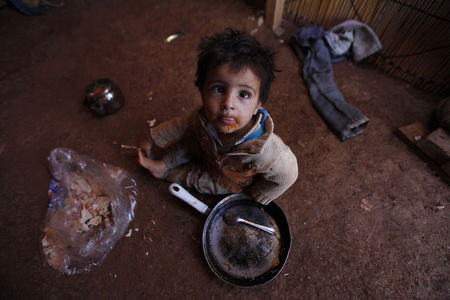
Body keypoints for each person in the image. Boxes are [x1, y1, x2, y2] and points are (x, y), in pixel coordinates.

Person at [137, 28, 298, 205]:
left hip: (228, 177)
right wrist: (151, 138)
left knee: (199, 181)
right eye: (219, 89)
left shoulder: (267, 152)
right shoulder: (204, 117)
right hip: (206, 147)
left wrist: (260, 194)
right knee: (187, 144)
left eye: (244, 94)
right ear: (203, 92)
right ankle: (163, 165)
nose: (228, 104)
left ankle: (165, 173)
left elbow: (288, 173)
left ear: (258, 105)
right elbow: (179, 126)